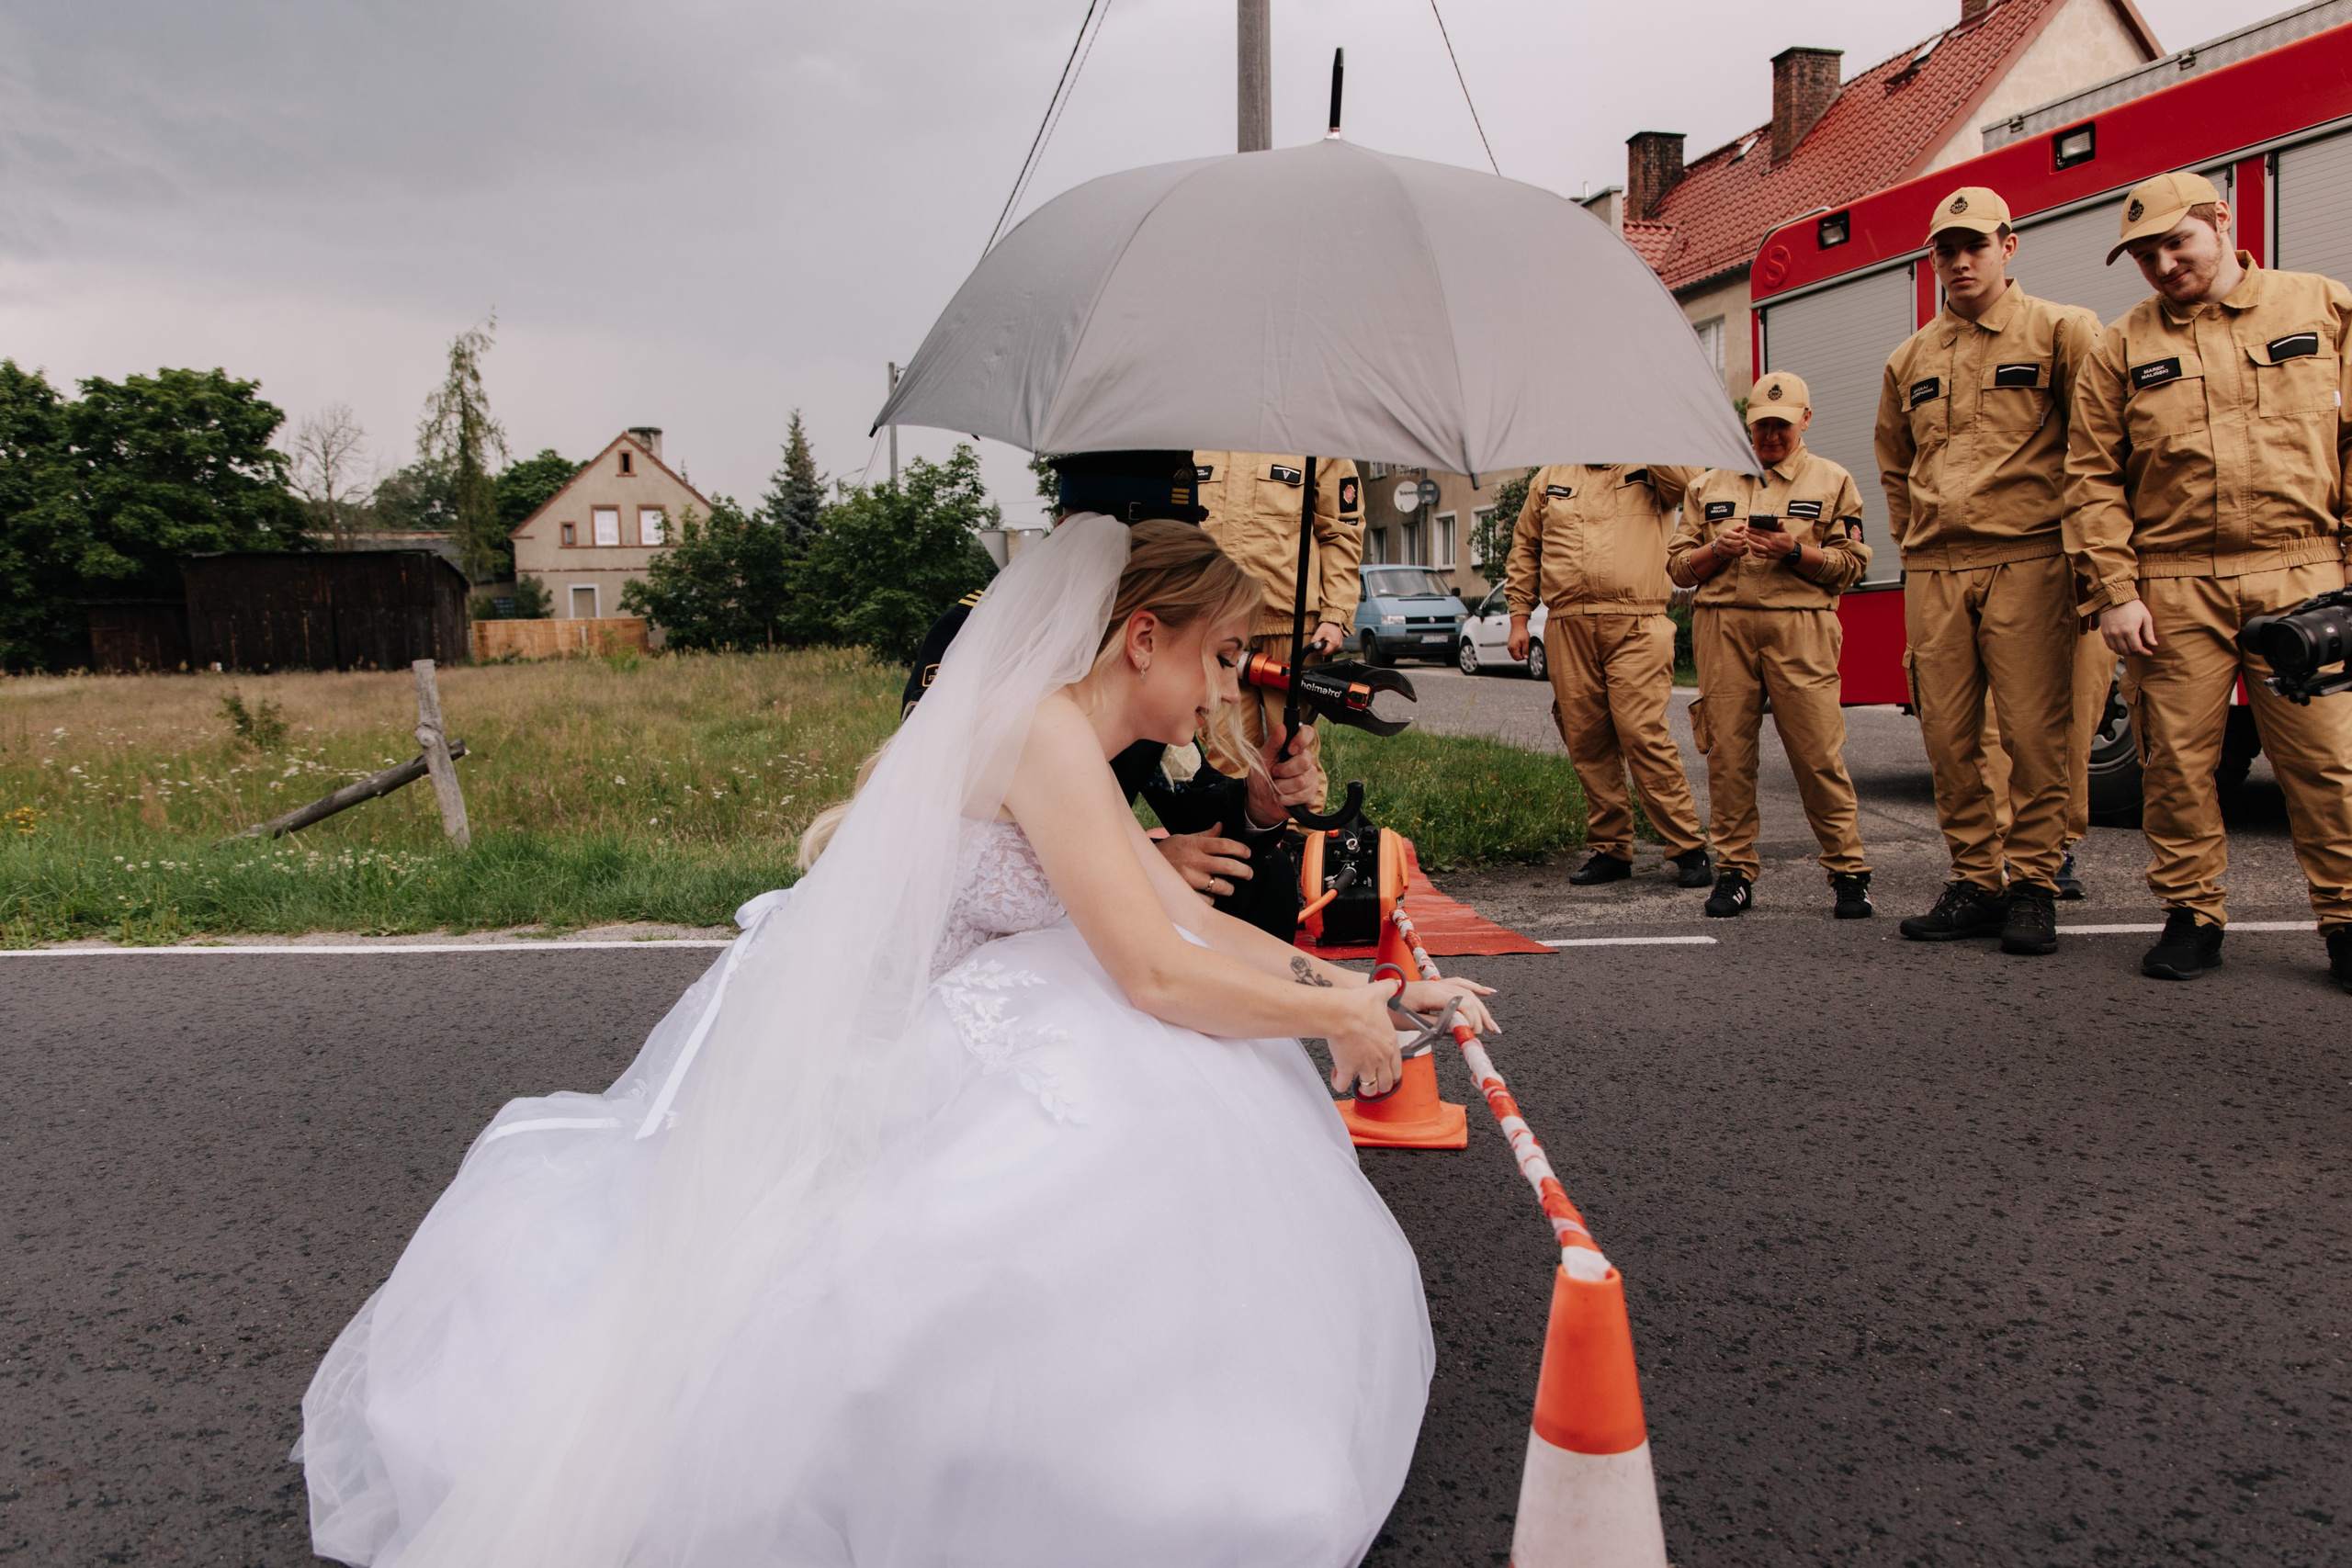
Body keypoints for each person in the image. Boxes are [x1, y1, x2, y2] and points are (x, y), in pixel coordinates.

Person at [297, 516, 1494, 1565]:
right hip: (864, 1033)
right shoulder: (1042, 731)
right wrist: (1329, 1013)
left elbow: (1193, 918)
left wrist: (1370, 988)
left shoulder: (1071, 736)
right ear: (1145, 636)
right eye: (1221, 654)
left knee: (1150, 1103)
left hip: (951, 999)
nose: (1229, 690)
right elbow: (1153, 967)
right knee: (1090, 1139)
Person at [2065, 170, 2352, 988]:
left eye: (2175, 242)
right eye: (2145, 255)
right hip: (2173, 582)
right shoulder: (2120, 347)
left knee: (2326, 763)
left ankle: (2345, 920)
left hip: (2303, 570)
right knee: (2177, 763)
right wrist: (2114, 590)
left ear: (2220, 221)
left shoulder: (2320, 307)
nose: (2162, 264)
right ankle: (2192, 915)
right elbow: (2091, 479)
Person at [905, 451, 1318, 940]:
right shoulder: (977, 630)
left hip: (1099, 862)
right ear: (1072, 530)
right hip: (1004, 897)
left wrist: (1258, 803)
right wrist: (1137, 863)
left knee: (1260, 879)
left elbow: (1184, 795)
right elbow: (939, 801)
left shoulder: (1157, 654)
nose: (1168, 557)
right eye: (1140, 540)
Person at [1872, 186, 2104, 957]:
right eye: (1946, 248)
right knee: (1948, 735)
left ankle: (2035, 883)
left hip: (2031, 556)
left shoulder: (2063, 331)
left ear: (2010, 244)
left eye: (1974, 244)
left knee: (2038, 735)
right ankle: (1976, 880)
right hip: (1938, 566)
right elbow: (1894, 463)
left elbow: (2098, 449)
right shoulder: (1910, 358)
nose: (1960, 260)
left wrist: (2084, 555)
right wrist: (1912, 542)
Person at [1668, 372, 1875, 919]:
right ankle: (1735, 871)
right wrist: (1717, 549)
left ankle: (1849, 873)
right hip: (1723, 627)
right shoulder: (1708, 485)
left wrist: (1792, 551)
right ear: (1749, 423)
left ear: (1805, 420)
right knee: (1728, 756)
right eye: (1761, 425)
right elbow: (1678, 566)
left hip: (1800, 626)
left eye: (1782, 425)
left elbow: (1851, 567)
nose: (1771, 436)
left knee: (1817, 754)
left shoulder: (1833, 480)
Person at [1502, 463, 1713, 888]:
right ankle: (1611, 849)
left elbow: (1693, 488)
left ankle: (1688, 846)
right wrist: (1519, 618)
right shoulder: (1549, 478)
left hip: (1638, 621)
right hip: (1567, 622)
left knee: (1642, 734)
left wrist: (1643, 422)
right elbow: (1525, 547)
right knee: (1586, 739)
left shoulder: (1651, 467)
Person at [1193, 451, 1367, 810]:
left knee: (1293, 749)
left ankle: (1300, 840)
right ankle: (1239, 841)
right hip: (1212, 620)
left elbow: (1342, 532)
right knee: (1224, 749)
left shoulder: (1315, 441)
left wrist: (1335, 614)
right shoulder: (1199, 435)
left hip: (1290, 624)